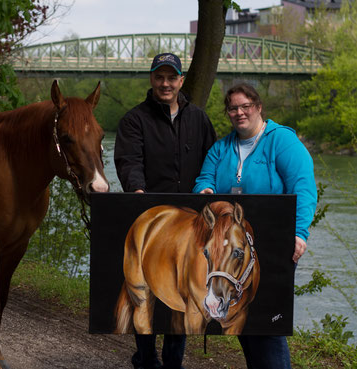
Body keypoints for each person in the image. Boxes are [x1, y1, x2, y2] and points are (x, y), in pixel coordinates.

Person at [193, 82, 317, 369]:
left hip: (275, 245)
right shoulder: (221, 147)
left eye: (245, 106)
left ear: (258, 107)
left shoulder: (282, 142)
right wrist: (206, 192)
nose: (239, 112)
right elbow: (204, 179)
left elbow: (304, 189)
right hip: (234, 251)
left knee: (267, 323)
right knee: (243, 323)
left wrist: (298, 233)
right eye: (233, 108)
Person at [114, 53, 216, 369]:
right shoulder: (134, 120)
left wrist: (210, 189)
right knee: (144, 292)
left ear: (181, 81)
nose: (166, 83)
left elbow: (212, 160)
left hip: (190, 223)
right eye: (160, 77)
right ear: (152, 79)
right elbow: (129, 161)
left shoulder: (198, 118)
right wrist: (138, 191)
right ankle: (145, 358)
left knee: (181, 294)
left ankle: (173, 362)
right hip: (152, 221)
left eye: (172, 77)